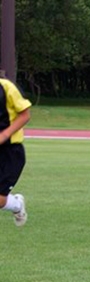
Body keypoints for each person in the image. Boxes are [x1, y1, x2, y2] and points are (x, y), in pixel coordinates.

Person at [0, 76, 31, 227]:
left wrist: (4, 135)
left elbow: (25, 115)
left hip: (10, 152)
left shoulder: (6, 87)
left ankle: (17, 204)